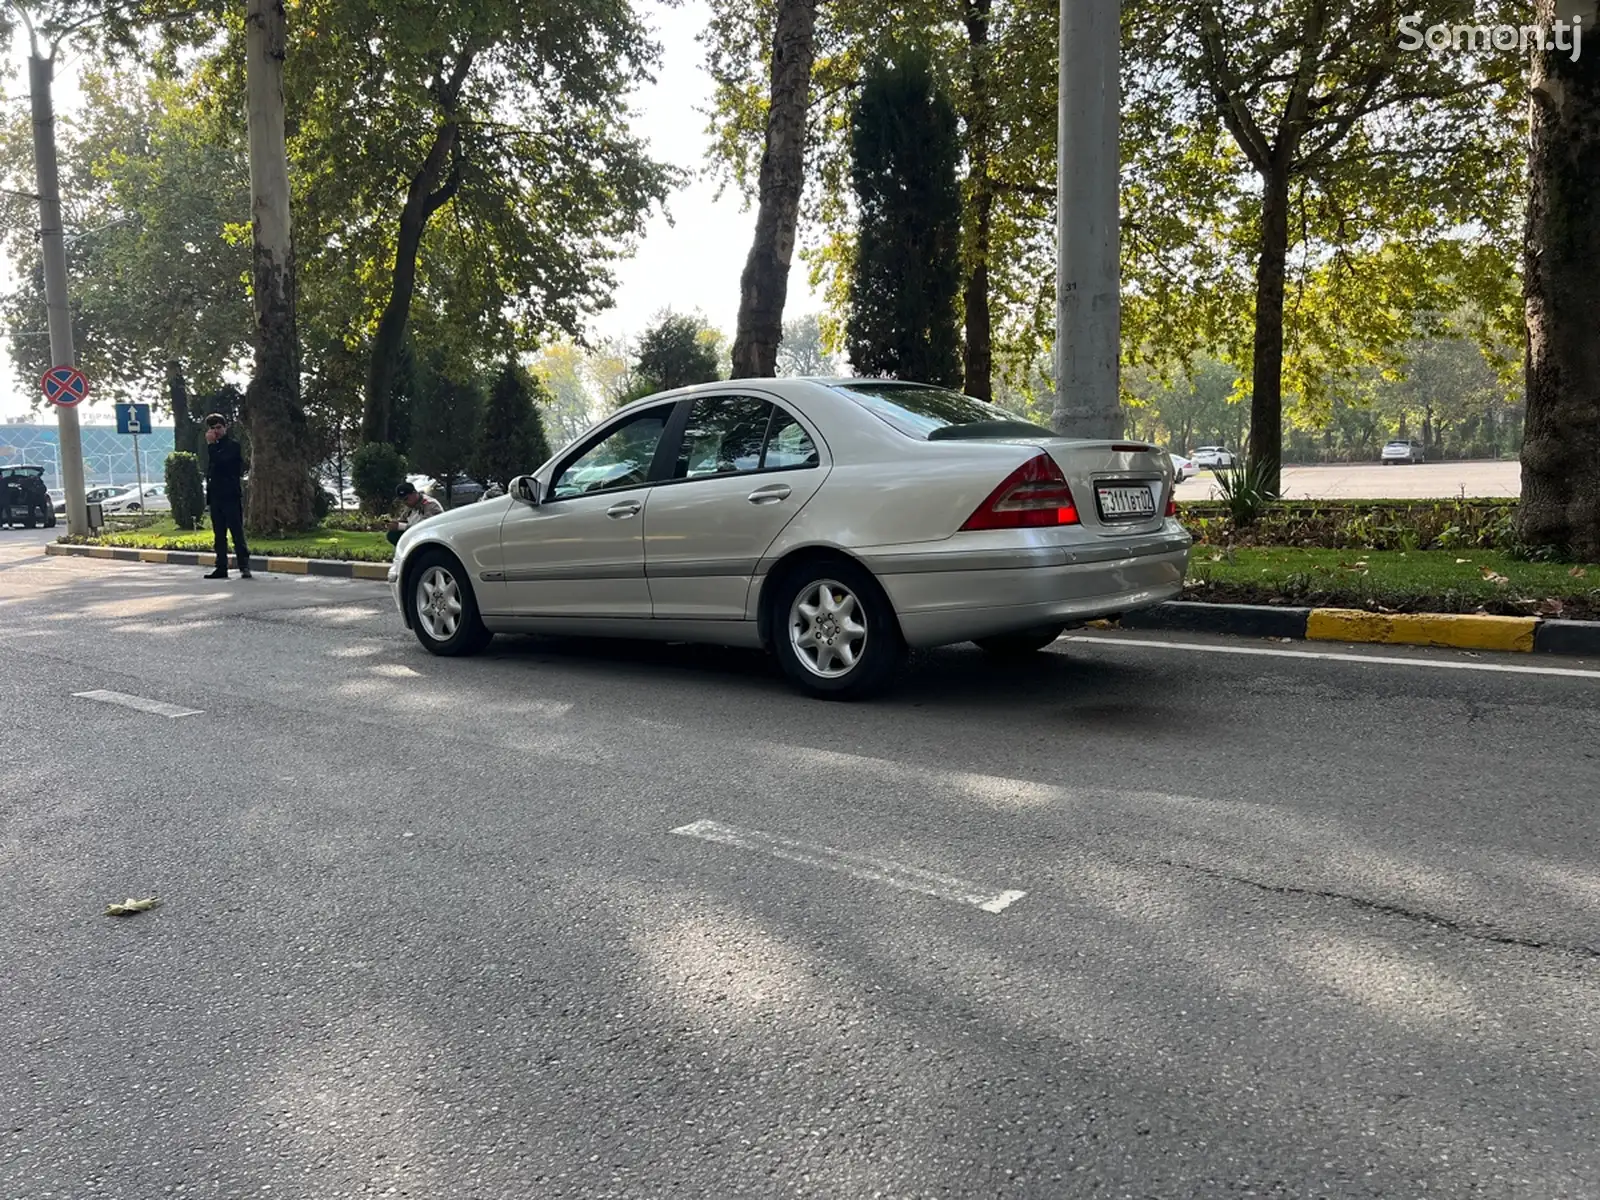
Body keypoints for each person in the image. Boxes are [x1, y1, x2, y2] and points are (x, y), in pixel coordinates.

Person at [203, 413, 250, 579]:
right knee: (219, 534)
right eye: (212, 428)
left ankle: (244, 565)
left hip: (230, 496)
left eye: (218, 427)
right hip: (216, 497)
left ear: (225, 427)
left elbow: (222, 462)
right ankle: (221, 567)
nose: (215, 431)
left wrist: (211, 446)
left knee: (236, 532)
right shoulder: (212, 447)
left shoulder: (232, 446)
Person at [388, 480, 442, 544]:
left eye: (406, 499)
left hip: (432, 537)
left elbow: (427, 526)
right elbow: (403, 520)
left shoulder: (430, 504)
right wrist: (395, 523)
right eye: (402, 501)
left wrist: (401, 526)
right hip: (417, 535)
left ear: (414, 493)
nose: (405, 502)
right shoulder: (411, 506)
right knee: (393, 534)